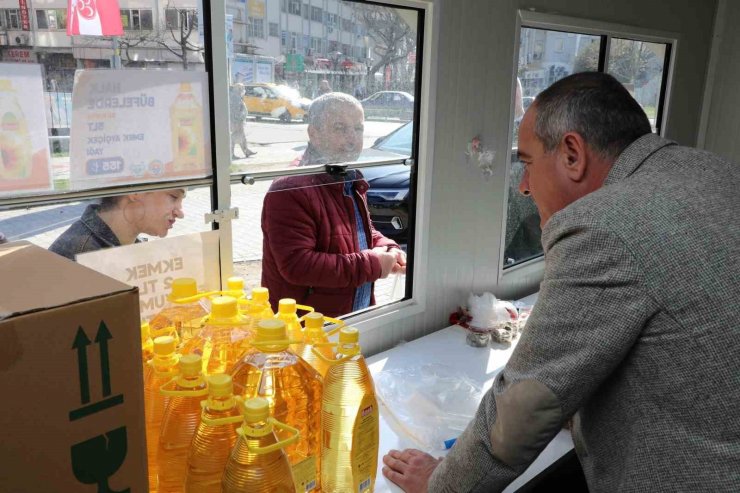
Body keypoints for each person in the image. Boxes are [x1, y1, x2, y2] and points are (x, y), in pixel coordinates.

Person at [382, 72, 740, 492]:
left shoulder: (602, 226)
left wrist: (440, 486)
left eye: (528, 163)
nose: (525, 185)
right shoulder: (714, 170)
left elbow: (522, 409)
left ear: (572, 153)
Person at [260, 92, 406, 317]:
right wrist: (373, 264)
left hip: (351, 314)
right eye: (340, 128)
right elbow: (297, 265)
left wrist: (388, 247)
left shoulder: (347, 176)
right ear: (314, 133)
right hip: (308, 329)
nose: (352, 139)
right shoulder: (290, 188)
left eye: (358, 129)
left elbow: (359, 231)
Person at [49, 189, 185, 261]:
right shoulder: (82, 258)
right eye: (173, 197)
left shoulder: (97, 249)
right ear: (137, 191)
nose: (180, 213)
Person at [229, 83, 255, 159]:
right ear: (238, 89)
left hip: (237, 121)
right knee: (235, 137)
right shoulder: (235, 97)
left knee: (241, 136)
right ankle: (232, 154)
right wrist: (238, 120)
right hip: (236, 121)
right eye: (242, 88)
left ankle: (246, 151)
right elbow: (235, 111)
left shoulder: (236, 96)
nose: (244, 90)